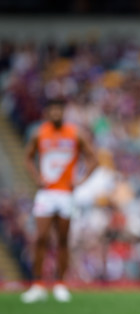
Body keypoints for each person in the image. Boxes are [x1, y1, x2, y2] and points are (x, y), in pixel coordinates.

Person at [20, 98, 98, 303]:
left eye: (58, 110)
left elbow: (93, 158)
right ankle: (37, 284)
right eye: (52, 109)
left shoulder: (75, 133)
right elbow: (27, 157)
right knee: (41, 237)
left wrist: (80, 180)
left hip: (65, 194)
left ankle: (60, 284)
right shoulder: (39, 133)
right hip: (46, 193)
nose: (55, 113)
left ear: (63, 112)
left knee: (63, 240)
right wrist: (36, 177)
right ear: (47, 112)